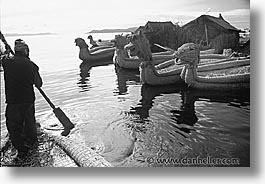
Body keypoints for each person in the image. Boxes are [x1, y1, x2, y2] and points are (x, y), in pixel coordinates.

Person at [2, 39, 43, 157]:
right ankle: (33, 143)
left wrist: (7, 50)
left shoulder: (7, 61)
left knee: (14, 127)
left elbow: (5, 55)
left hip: (13, 101)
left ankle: (21, 149)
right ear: (26, 51)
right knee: (30, 122)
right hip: (28, 101)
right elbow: (39, 83)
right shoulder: (31, 65)